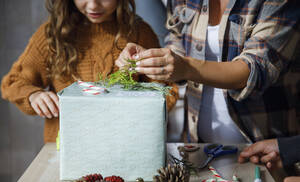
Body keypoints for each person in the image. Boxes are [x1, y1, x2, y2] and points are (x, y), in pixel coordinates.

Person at [116, 0, 300, 144]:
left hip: (265, 149)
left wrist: (185, 67)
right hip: (197, 146)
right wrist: (154, 59)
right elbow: (178, 41)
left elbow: (255, 69)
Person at [1, 0, 178, 143]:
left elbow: (165, 91)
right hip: (64, 148)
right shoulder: (52, 35)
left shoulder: (139, 32)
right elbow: (13, 82)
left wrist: (137, 108)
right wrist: (33, 95)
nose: (93, 5)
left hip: (125, 146)